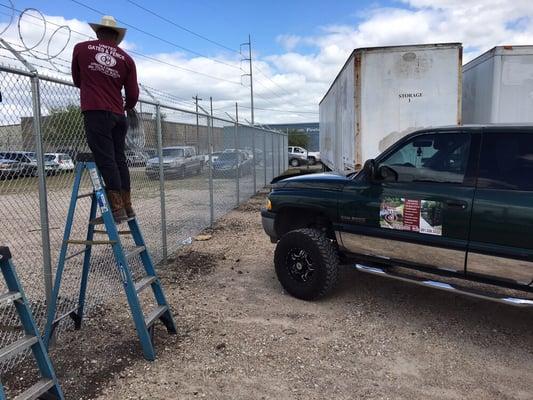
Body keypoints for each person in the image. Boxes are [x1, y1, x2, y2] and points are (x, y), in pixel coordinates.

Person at [71, 15, 139, 223]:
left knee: (106, 159)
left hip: (96, 111)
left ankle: (116, 210)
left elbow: (77, 79)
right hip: (119, 115)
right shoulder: (126, 59)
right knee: (119, 159)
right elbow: (133, 94)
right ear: (116, 36)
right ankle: (127, 206)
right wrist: (123, 106)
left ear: (98, 32)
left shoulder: (81, 49)